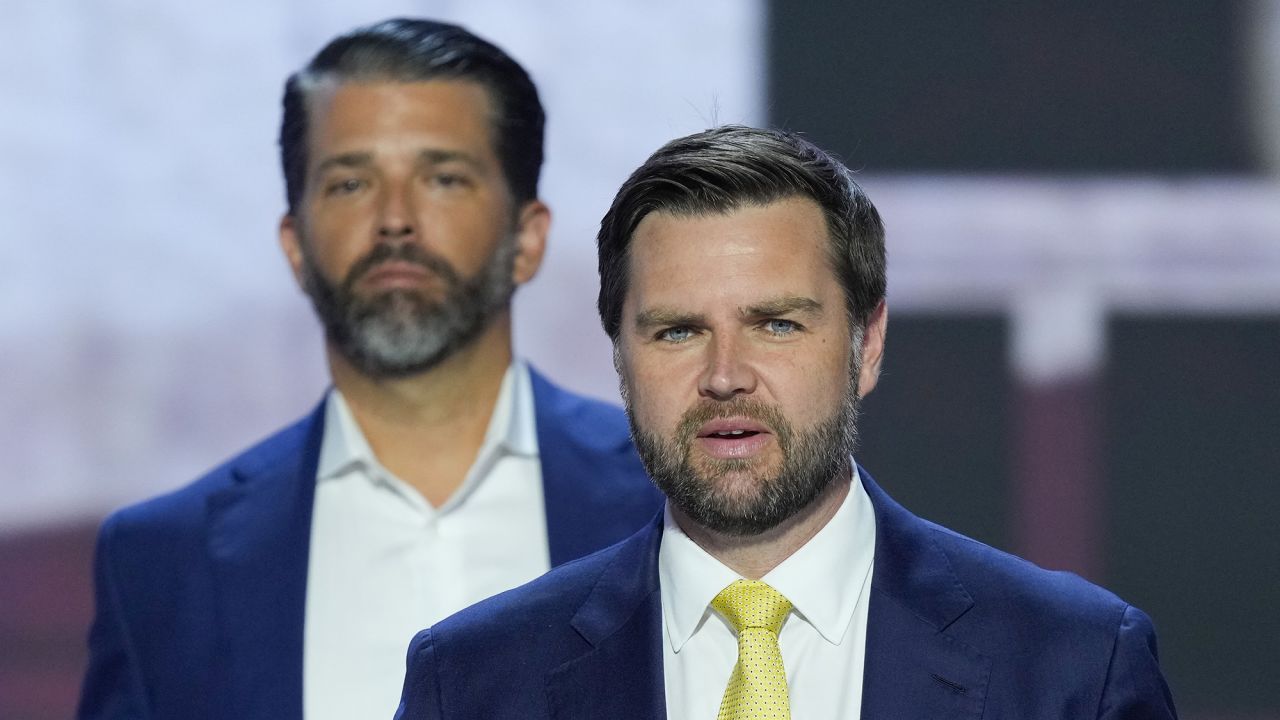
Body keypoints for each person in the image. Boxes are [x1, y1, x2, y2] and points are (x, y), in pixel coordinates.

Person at [394, 125, 1178, 719]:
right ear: (619, 358)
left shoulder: (1074, 669)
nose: (725, 376)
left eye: (776, 324)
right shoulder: (473, 682)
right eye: (677, 331)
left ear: (867, 346)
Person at [78, 18, 661, 720]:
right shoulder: (161, 564)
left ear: (527, 239)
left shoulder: (670, 499)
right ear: (295, 245)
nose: (395, 220)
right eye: (351, 184)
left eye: (443, 178)